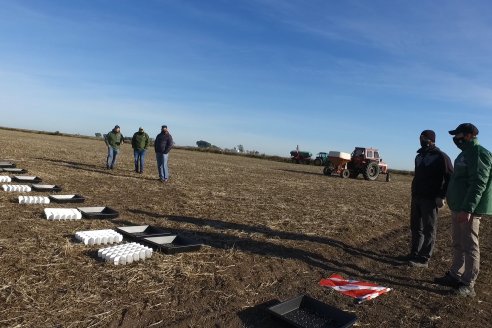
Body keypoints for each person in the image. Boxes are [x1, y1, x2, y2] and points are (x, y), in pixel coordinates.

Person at [434, 123, 492, 297]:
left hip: (469, 210)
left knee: (470, 245)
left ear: (467, 135)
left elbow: (478, 183)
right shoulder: (464, 154)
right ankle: (455, 275)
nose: (455, 139)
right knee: (458, 242)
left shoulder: (479, 153)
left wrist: (468, 208)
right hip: (458, 207)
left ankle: (468, 284)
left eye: (457, 135)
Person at [408, 130, 453, 268]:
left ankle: (424, 259)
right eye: (420, 137)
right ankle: (414, 253)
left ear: (431, 140)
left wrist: (441, 195)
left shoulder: (441, 157)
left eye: (424, 138)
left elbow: (449, 177)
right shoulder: (419, 156)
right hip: (417, 196)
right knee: (416, 227)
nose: (421, 140)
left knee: (429, 229)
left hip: (430, 198)